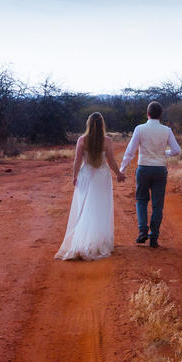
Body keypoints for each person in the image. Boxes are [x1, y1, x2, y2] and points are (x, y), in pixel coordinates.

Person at [55, 112, 125, 261]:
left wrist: (74, 176)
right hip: (102, 177)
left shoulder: (82, 140)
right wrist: (119, 174)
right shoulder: (107, 141)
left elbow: (77, 161)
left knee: (84, 208)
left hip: (85, 176)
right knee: (100, 208)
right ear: (102, 125)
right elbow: (111, 161)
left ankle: (82, 241)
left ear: (88, 123)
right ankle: (98, 241)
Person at [119, 101, 181, 248]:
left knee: (141, 200)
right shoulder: (166, 130)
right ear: (160, 115)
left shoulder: (139, 129)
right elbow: (177, 150)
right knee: (157, 205)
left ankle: (142, 230)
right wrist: (164, 153)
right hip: (160, 169)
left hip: (143, 168)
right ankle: (154, 237)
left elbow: (130, 152)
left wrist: (122, 169)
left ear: (147, 114)